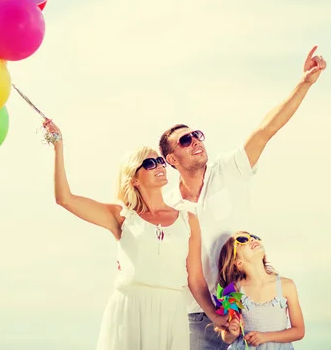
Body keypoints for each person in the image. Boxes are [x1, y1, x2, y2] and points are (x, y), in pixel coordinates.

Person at [158, 46, 325, 349]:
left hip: (248, 308)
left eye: (197, 134)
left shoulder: (229, 168)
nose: (195, 140)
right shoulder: (168, 205)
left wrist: (305, 83)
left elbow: (266, 129)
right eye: (185, 140)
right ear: (171, 159)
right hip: (195, 315)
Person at [43, 120, 229, 350]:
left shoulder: (188, 220)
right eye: (150, 163)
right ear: (134, 178)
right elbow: (65, 199)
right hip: (130, 310)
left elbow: (196, 279)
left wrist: (216, 316)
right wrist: (58, 146)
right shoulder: (122, 216)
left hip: (172, 313)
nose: (159, 166)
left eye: (160, 161)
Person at [217, 232, 305, 349]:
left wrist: (266, 337)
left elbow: (299, 331)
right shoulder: (235, 290)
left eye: (254, 237)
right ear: (238, 262)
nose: (252, 239)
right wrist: (233, 333)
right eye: (242, 240)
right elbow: (226, 337)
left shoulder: (286, 285)